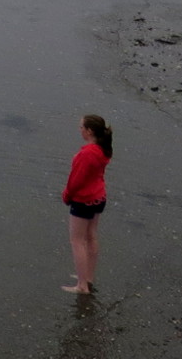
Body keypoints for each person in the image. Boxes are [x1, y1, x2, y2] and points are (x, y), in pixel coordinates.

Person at [61, 114, 112, 294]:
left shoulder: (87, 154)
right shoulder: (103, 150)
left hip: (84, 200)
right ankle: (88, 277)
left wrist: (67, 195)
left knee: (77, 241)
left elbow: (76, 181)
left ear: (89, 131)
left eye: (81, 127)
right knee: (91, 236)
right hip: (99, 196)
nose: (79, 130)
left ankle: (82, 285)